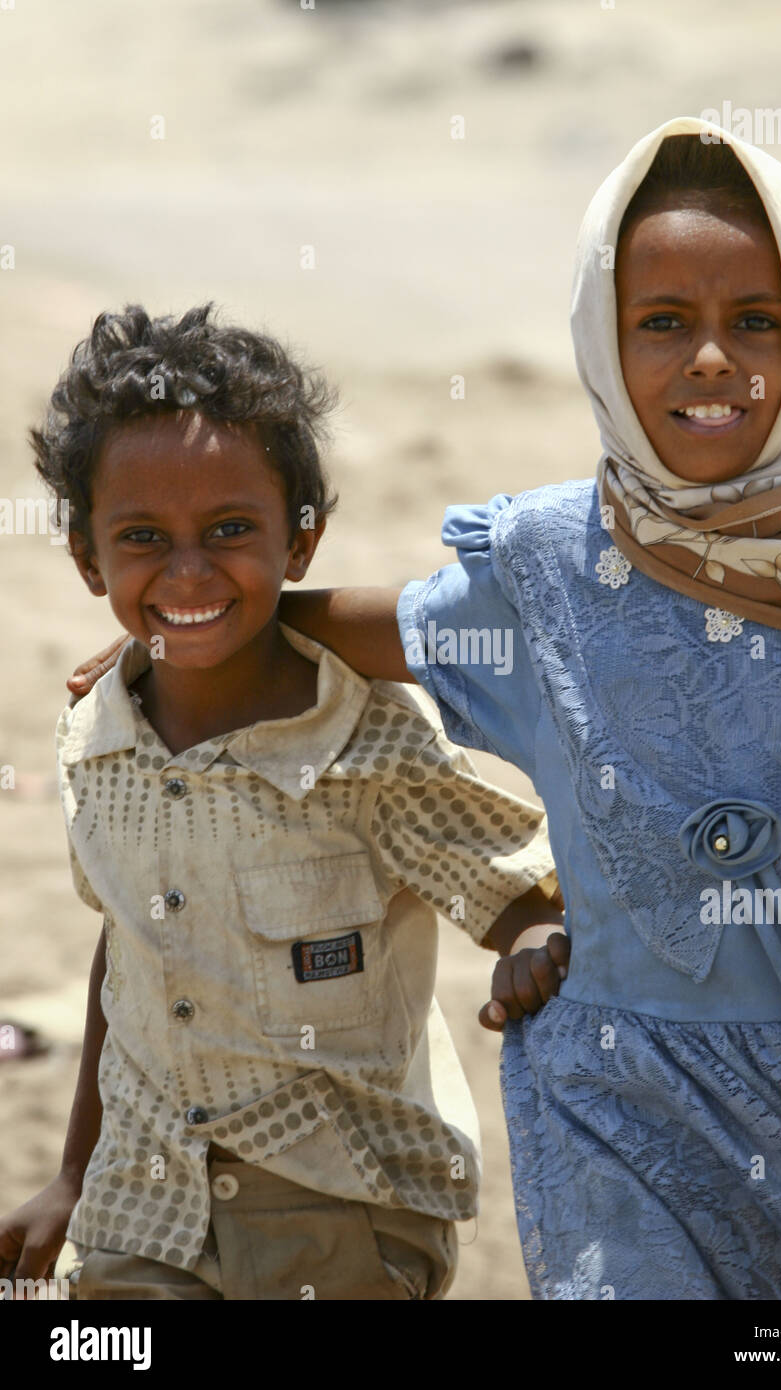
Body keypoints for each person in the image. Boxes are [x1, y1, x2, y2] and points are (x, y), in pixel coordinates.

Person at [61, 115, 781, 1301]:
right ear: (602, 340)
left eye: (755, 322)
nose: (711, 359)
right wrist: (193, 618)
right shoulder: (550, 565)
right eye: (663, 323)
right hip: (614, 1100)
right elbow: (392, 620)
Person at [0, 304, 568, 1301]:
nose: (188, 569)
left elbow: (516, 896)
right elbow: (126, 953)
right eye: (142, 538)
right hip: (144, 1200)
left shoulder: (367, 742)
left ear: (300, 542)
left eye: (230, 531)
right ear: (89, 560)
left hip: (339, 1207)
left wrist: (529, 948)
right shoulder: (96, 738)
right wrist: (72, 1173)